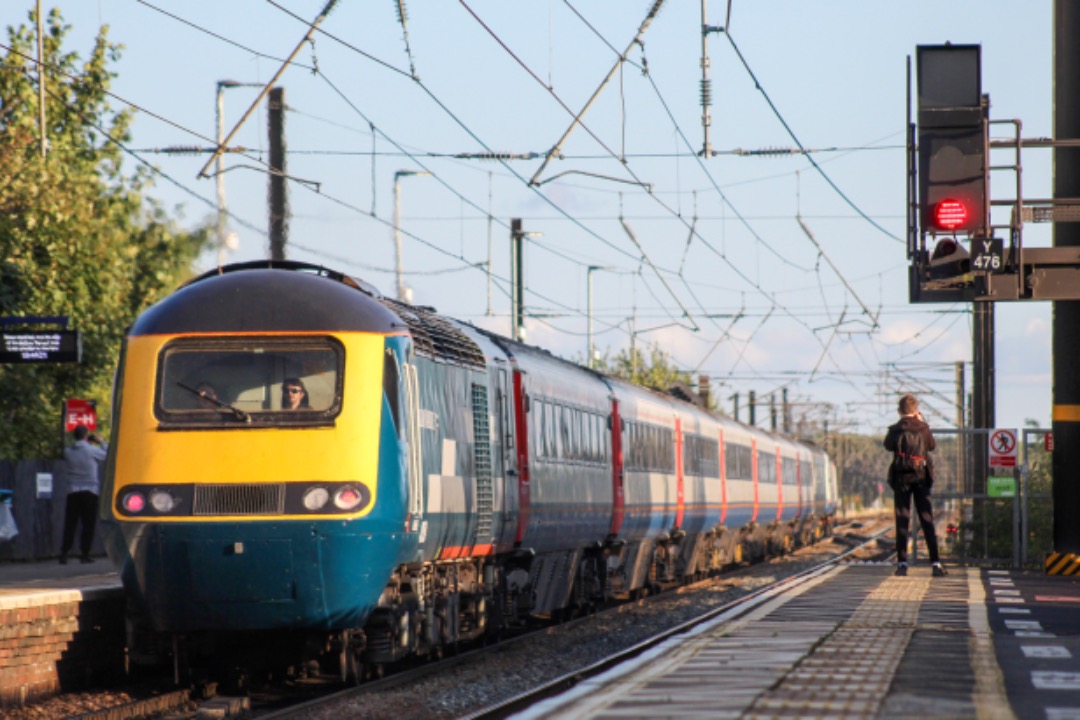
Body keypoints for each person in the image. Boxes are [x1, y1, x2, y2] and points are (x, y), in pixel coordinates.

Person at [883, 394, 945, 578]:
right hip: (920, 477)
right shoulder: (923, 428)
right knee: (927, 519)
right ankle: (935, 563)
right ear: (916, 410)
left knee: (902, 519)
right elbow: (931, 446)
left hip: (901, 478)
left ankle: (902, 564)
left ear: (900, 410)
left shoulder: (895, 429)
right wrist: (922, 422)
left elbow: (887, 446)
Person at [60, 425, 108, 564]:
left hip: (73, 491)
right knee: (88, 525)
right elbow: (106, 455)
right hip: (90, 491)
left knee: (70, 524)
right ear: (86, 435)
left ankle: (64, 553)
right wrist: (101, 441)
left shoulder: (68, 452)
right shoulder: (92, 450)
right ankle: (84, 554)